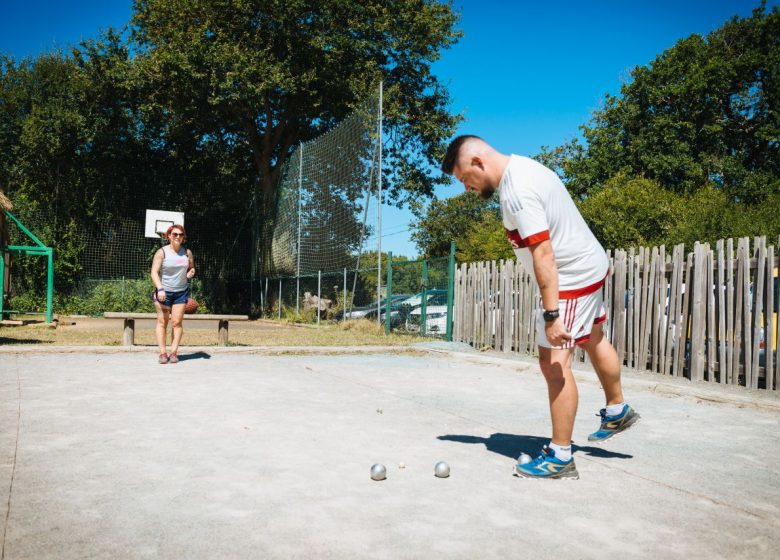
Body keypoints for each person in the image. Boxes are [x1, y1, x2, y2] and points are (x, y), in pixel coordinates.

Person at [441, 135, 639, 479]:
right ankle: (617, 408)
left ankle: (560, 458)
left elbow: (543, 253)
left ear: (477, 162)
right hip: (587, 264)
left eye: (464, 179)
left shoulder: (518, 190)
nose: (467, 189)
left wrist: (552, 314)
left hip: (572, 276)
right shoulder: (525, 169)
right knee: (593, 338)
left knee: (553, 362)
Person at [151, 224, 195, 364]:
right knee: (162, 322)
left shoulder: (187, 253)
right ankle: (163, 353)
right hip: (164, 292)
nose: (178, 237)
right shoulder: (161, 252)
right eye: (175, 234)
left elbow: (192, 268)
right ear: (168, 236)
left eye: (180, 235)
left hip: (181, 293)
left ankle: (174, 352)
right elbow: (154, 272)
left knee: (176, 323)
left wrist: (190, 272)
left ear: (183, 237)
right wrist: (160, 288)